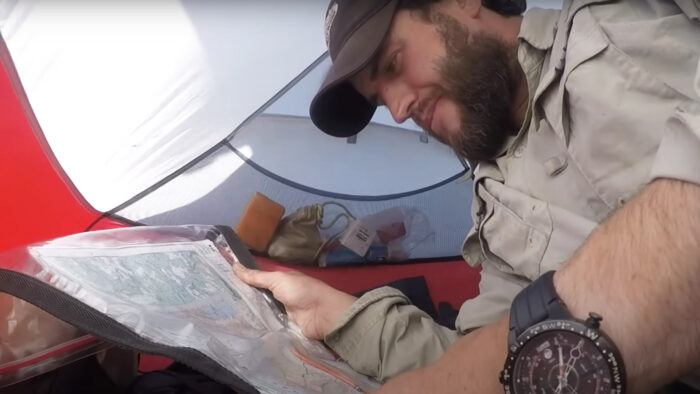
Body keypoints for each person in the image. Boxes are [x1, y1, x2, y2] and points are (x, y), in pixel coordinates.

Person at [234, 0, 700, 392]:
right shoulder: (495, 218)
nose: (397, 111)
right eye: (380, 100)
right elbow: (481, 363)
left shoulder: (623, 13)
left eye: (394, 64)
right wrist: (338, 315)